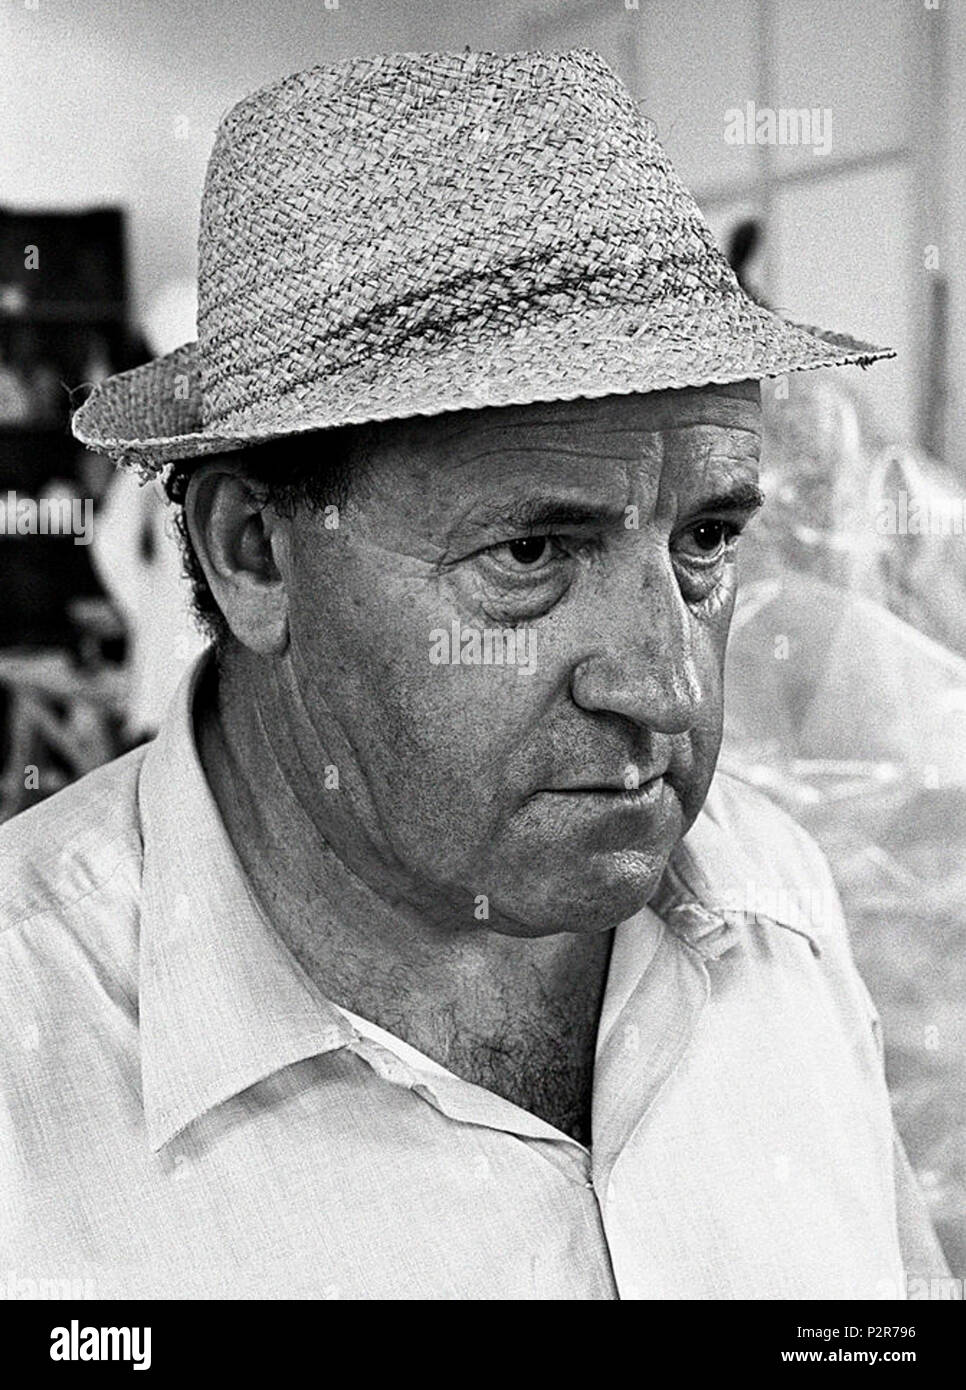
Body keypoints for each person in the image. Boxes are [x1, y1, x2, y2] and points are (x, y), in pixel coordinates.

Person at [0, 50, 952, 1299]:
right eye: (533, 551)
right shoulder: (33, 1072)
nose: (670, 689)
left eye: (705, 540)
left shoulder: (777, 900)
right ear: (255, 554)